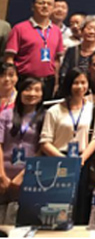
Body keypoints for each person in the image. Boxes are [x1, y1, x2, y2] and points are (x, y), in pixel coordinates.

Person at [39, 68, 95, 224]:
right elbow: (45, 142)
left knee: (79, 205)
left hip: (82, 161)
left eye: (83, 82)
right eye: (75, 83)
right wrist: (64, 161)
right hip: (57, 161)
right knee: (56, 206)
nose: (80, 87)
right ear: (68, 84)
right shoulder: (54, 110)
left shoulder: (94, 109)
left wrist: (82, 159)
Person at [0, 77, 45, 224]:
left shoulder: (45, 117)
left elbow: (42, 149)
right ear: (20, 92)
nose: (32, 93)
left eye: (37, 90)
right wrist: (2, 176)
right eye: (27, 89)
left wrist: (22, 176)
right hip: (3, 175)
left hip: (28, 177)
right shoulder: (6, 114)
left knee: (16, 224)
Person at [4, 0, 64, 100]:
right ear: (33, 6)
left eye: (49, 4)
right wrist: (10, 80)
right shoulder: (19, 28)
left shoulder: (56, 31)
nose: (45, 6)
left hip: (47, 82)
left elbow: (56, 60)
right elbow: (9, 58)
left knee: (43, 110)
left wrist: (56, 82)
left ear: (53, 8)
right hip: (24, 80)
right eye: (41, 3)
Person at [60, 15, 95, 83]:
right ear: (82, 30)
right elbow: (63, 72)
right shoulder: (72, 51)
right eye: (89, 28)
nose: (91, 32)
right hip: (76, 86)